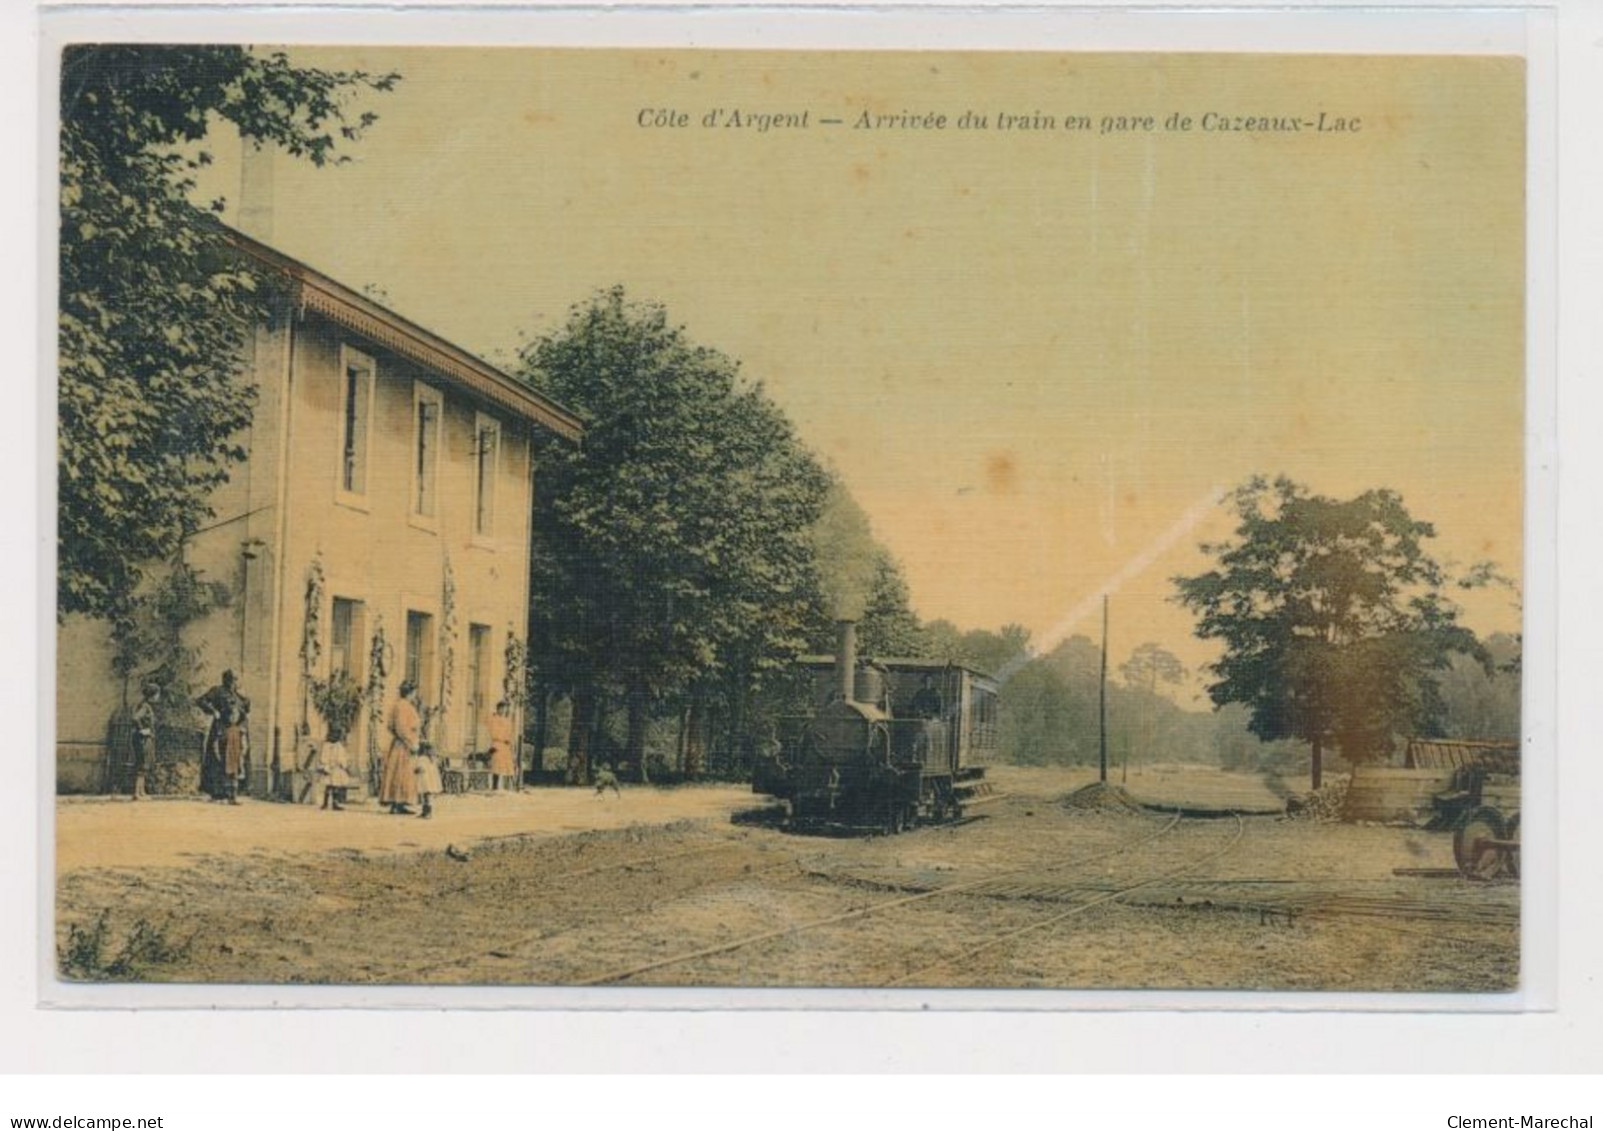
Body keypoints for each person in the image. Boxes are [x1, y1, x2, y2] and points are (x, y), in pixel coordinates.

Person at [197, 670, 250, 804]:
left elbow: (245, 710)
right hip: (220, 730)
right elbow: (201, 700)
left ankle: (232, 794)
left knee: (234, 761)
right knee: (217, 760)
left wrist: (245, 698)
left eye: (236, 680)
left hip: (234, 732)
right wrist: (213, 711)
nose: (234, 683)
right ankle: (217, 793)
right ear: (226, 680)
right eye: (233, 680)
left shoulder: (238, 695)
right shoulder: (217, 691)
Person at [379, 679, 422, 815]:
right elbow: (401, 728)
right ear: (410, 692)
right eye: (414, 692)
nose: (415, 695)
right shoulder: (403, 706)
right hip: (404, 745)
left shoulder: (399, 706)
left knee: (402, 773)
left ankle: (400, 802)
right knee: (401, 773)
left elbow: (391, 726)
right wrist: (411, 742)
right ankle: (397, 802)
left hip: (400, 744)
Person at [128, 679, 160, 801]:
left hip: (145, 738)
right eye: (157, 694)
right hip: (142, 739)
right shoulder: (145, 706)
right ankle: (137, 793)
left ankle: (141, 792)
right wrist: (142, 729)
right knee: (142, 765)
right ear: (152, 695)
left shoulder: (147, 706)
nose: (158, 697)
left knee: (145, 764)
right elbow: (135, 718)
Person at [486, 700, 517, 791]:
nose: (503, 710)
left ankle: (509, 787)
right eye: (501, 708)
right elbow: (494, 732)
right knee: (497, 765)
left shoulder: (507, 720)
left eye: (504, 708)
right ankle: (495, 786)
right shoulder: (494, 719)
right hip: (497, 743)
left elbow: (510, 733)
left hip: (505, 745)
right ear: (498, 709)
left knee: (508, 765)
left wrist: (509, 740)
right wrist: (502, 737)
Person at [413, 739, 442, 820]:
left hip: (425, 780)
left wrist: (416, 770)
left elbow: (420, 768)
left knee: (426, 797)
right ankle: (425, 812)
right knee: (427, 796)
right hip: (431, 781)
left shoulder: (422, 758)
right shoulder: (432, 759)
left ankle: (427, 812)